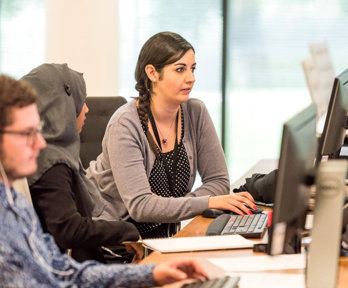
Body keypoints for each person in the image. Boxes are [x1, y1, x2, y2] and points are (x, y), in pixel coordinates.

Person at [0, 74, 209, 287]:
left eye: (37, 130)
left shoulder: (14, 201)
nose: (40, 143)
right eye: (27, 133)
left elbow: (60, 269)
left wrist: (150, 273)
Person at [87, 31, 256, 239]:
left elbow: (219, 181)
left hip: (164, 239)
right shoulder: (125, 124)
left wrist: (167, 205)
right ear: (152, 73)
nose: (191, 78)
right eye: (180, 70)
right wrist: (207, 201)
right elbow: (141, 206)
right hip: (118, 243)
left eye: (193, 69)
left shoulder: (195, 112)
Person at [20, 63, 142, 264]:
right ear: (62, 106)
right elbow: (68, 230)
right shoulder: (51, 162)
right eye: (81, 101)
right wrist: (125, 231)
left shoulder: (51, 154)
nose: (86, 109)